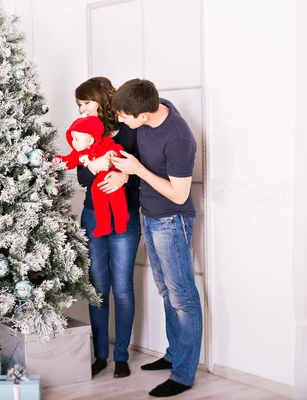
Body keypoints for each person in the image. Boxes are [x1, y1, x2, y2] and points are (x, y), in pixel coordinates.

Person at [110, 78, 202, 398]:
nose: (121, 121)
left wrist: (136, 169)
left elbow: (179, 195)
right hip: (149, 217)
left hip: (172, 221)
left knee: (183, 298)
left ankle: (183, 374)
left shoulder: (178, 139)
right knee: (166, 292)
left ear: (143, 116)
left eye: (124, 117)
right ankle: (174, 355)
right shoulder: (152, 106)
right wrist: (125, 170)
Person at [72, 77, 141, 379]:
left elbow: (144, 173)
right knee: (98, 288)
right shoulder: (83, 133)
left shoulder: (129, 132)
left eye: (85, 102)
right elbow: (82, 179)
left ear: (100, 99)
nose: (82, 109)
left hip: (125, 218)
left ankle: (121, 355)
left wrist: (125, 178)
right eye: (79, 105)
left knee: (123, 288)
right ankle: (100, 355)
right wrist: (95, 168)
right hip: (92, 216)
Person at [52, 115, 128, 237]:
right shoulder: (78, 154)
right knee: (98, 199)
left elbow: (117, 148)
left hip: (111, 177)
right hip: (98, 183)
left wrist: (113, 153)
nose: (72, 142)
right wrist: (58, 161)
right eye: (72, 139)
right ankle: (104, 225)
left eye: (76, 139)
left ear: (90, 140)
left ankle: (121, 221)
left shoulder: (105, 143)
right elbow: (69, 161)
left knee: (117, 198)